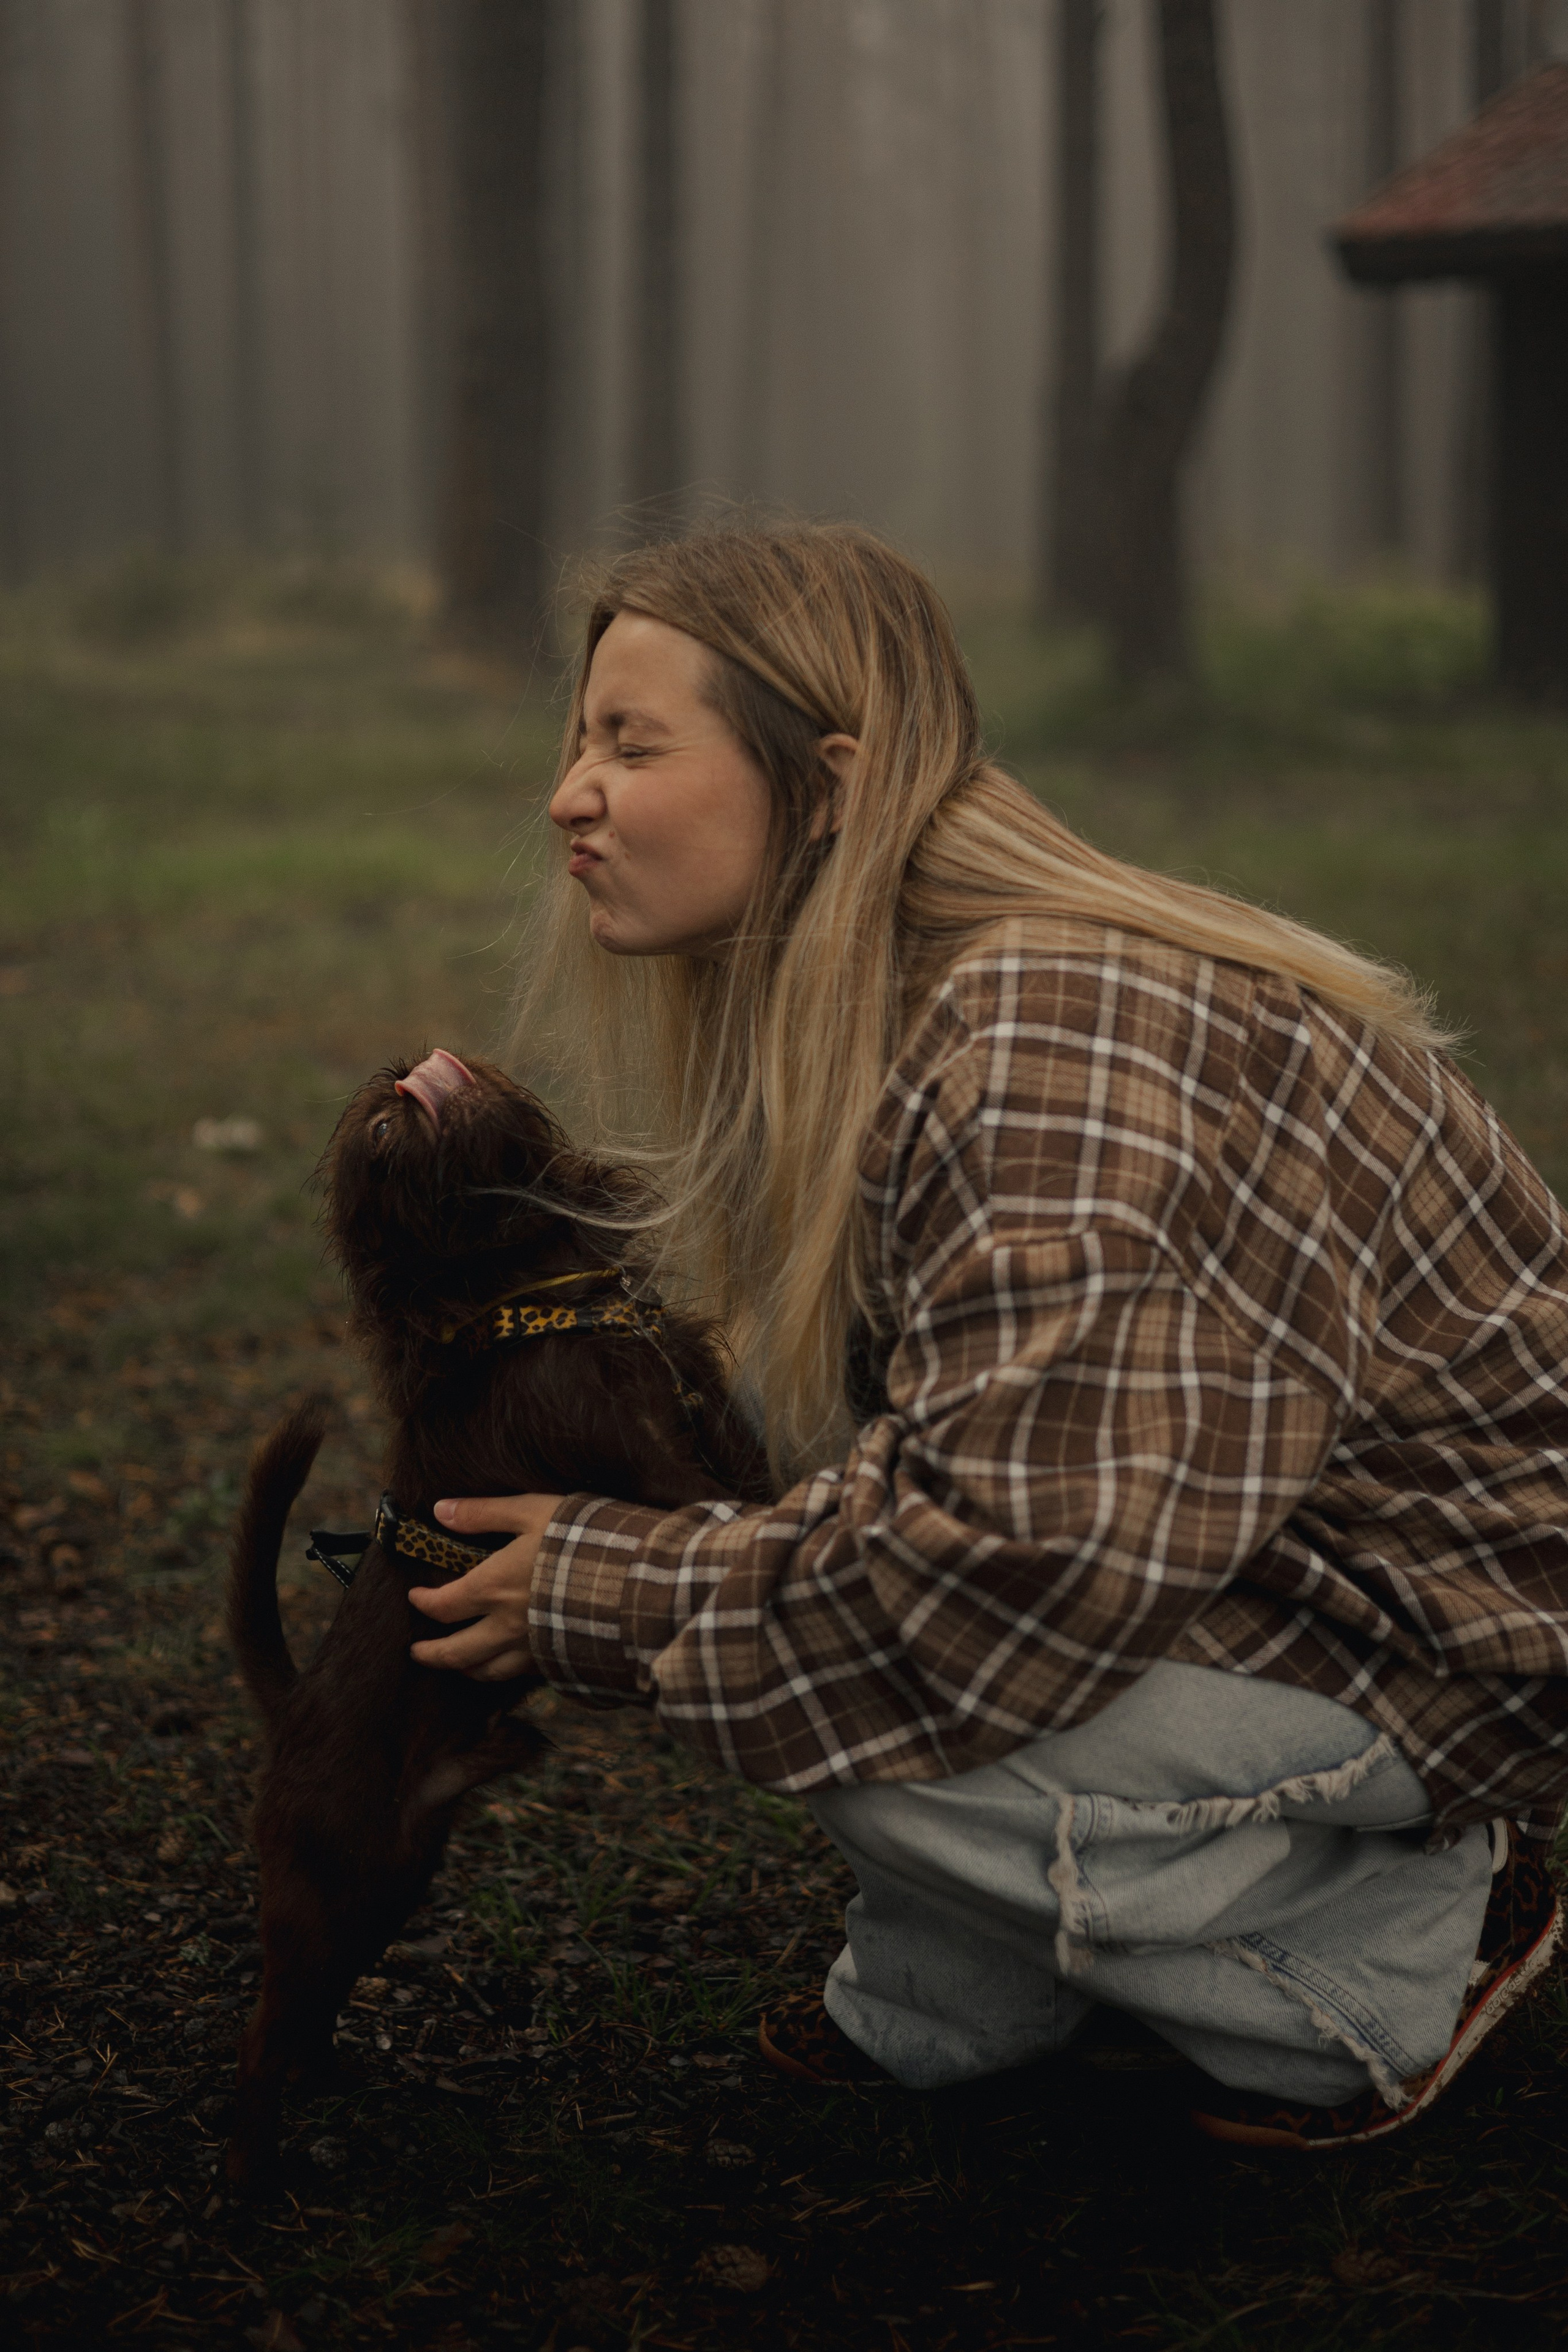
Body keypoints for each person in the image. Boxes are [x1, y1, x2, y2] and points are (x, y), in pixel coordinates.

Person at [405, 523, 1567, 2151]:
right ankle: (977, 1989)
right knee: (812, 1600)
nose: (567, 794)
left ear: (828, 783)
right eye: (577, 737)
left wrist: (612, 1591)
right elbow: (939, 1463)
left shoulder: (1050, 1033)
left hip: (1444, 1637)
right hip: (1223, 1543)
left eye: (629, 742)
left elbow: (1013, 1570)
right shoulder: (897, 1003)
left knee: (851, 1685)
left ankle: (1380, 1955)